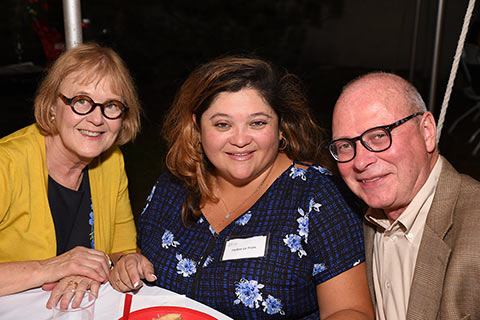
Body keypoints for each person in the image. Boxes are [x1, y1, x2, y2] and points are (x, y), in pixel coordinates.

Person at [137, 55, 374, 319]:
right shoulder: (172, 187)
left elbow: (350, 311)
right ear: (197, 127)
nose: (240, 139)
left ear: (281, 126)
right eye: (222, 124)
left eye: (257, 123)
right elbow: (138, 262)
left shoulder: (319, 197)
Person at [0, 43, 155, 305]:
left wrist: (128, 263)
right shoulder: (6, 165)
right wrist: (52, 267)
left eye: (112, 105)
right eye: (81, 101)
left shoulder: (111, 162)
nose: (97, 119)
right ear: (51, 106)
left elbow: (121, 250)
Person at [329, 72, 480, 319]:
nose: (361, 161)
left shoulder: (474, 226)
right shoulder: (350, 220)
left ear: (427, 131)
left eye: (378, 136)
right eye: (346, 145)